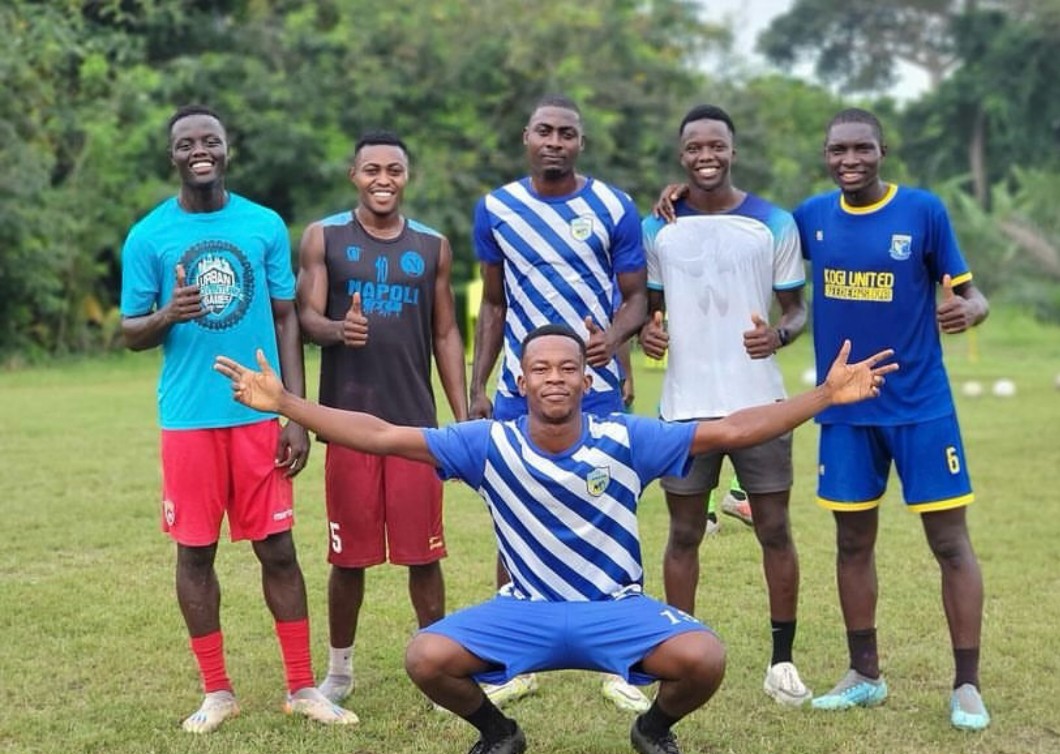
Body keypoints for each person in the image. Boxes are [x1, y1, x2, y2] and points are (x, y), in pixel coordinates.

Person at [215, 323, 897, 754]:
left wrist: (823, 398)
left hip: (615, 609)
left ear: (587, 378)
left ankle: (651, 730)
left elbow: (731, 430)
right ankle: (499, 736)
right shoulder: (489, 443)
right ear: (521, 380)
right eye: (540, 368)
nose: (554, 378)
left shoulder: (625, 437)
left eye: (567, 368)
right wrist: (287, 404)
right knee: (425, 656)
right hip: (525, 613)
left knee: (705, 657)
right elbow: (384, 435)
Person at [119, 105, 357, 733]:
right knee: (195, 553)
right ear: (172, 155)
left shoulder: (263, 224)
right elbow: (130, 331)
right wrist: (168, 313)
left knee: (278, 549)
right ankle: (217, 692)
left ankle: (302, 687)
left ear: (227, 150)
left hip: (257, 416)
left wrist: (294, 413)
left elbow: (286, 318)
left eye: (211, 141)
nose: (199, 151)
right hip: (189, 421)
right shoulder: (148, 236)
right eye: (186, 143)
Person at [793, 108, 990, 730]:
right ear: (826, 154)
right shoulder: (810, 217)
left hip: (921, 407)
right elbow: (749, 230)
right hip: (845, 411)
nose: (849, 160)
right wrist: (680, 198)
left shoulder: (923, 211)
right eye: (838, 150)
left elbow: (973, 295)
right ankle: (864, 675)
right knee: (852, 542)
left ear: (883, 151)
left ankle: (967, 685)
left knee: (949, 543)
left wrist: (969, 312)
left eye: (862, 148)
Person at [468, 93, 649, 711]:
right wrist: (478, 384)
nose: (554, 142)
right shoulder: (496, 208)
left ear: (580, 143)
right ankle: (510, 662)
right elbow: (494, 304)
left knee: (614, 516)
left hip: (594, 390)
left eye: (566, 133)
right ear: (526, 137)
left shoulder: (613, 206)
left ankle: (627, 664)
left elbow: (636, 298)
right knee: (511, 515)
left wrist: (613, 340)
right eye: (544, 131)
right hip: (520, 392)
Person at [640, 104, 812, 706]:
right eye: (695, 147)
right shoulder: (658, 226)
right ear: (681, 154)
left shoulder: (774, 222)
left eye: (716, 145)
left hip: (760, 402)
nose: (706, 156)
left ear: (733, 151)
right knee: (684, 532)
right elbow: (651, 310)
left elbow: (797, 309)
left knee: (774, 530)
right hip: (685, 406)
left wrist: (780, 335)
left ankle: (782, 662)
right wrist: (648, 335)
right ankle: (679, 656)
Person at [295, 131, 468, 709]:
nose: (383, 179)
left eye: (394, 169)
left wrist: (461, 417)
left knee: (425, 556)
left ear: (407, 176)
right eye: (372, 169)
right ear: (355, 176)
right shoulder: (324, 237)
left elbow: (446, 332)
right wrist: (337, 330)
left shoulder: (433, 246)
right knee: (348, 559)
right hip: (347, 423)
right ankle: (339, 672)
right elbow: (305, 317)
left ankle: (439, 667)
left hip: (415, 426)